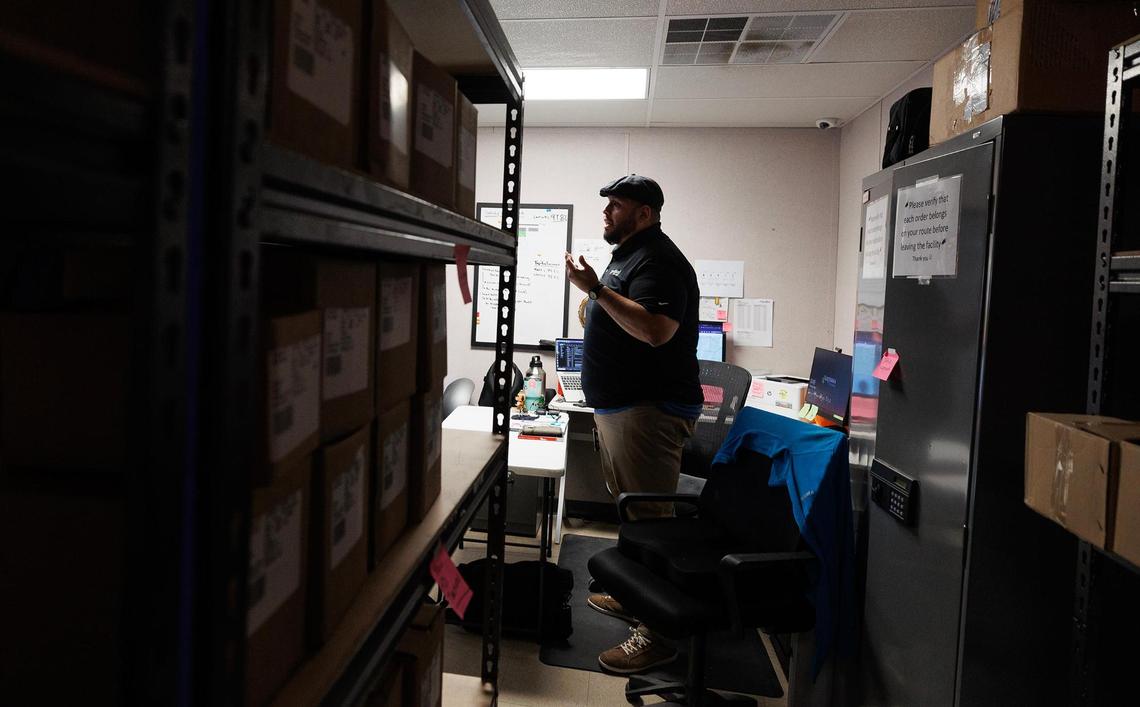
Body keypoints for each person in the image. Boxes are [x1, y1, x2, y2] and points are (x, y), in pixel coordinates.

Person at [564, 174, 702, 674]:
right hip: (622, 408)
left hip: (648, 411)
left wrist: (595, 289)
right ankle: (636, 596)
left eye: (615, 206)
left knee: (651, 520)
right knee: (634, 513)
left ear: (644, 213)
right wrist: (594, 300)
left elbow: (654, 329)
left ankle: (658, 634)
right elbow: (622, 316)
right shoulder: (629, 255)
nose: (606, 214)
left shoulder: (659, 260)